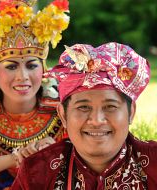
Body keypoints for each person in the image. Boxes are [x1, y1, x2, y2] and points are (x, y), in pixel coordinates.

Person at [12, 42, 157, 189]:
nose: (96, 121)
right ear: (63, 115)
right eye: (83, 107)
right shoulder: (37, 172)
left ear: (131, 112)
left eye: (110, 107)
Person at [0, 0, 69, 189]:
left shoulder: (64, 112)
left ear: (44, 69)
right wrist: (16, 157)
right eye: (11, 66)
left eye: (31, 65)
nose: (23, 77)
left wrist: (55, 151)